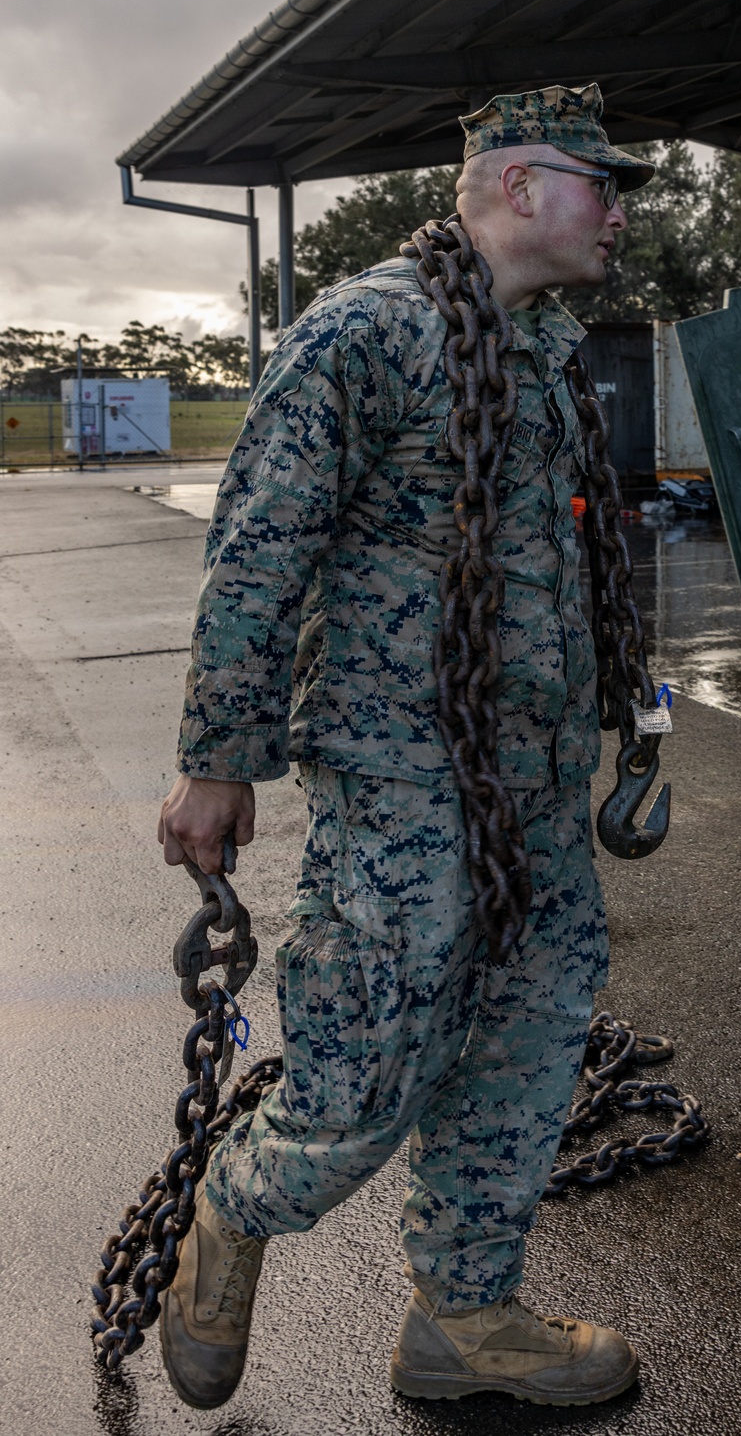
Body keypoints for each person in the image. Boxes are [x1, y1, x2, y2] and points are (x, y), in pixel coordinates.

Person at [157, 81, 655, 1411]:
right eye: (602, 182)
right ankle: (234, 1207)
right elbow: (260, 549)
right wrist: (219, 760)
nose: (620, 209)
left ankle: (466, 1315)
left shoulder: (542, 351)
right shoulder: (367, 333)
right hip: (404, 779)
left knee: (532, 1033)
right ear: (515, 187)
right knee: (373, 1054)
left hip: (533, 780)